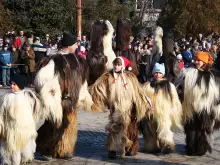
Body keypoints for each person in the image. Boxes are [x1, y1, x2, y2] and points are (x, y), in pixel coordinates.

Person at [90, 56, 151, 159]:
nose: (116, 66)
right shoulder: (108, 77)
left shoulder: (130, 77)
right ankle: (113, 149)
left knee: (131, 128)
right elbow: (97, 88)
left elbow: (138, 91)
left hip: (130, 107)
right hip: (116, 108)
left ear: (123, 66)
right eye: (115, 64)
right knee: (115, 127)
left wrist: (147, 103)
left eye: (118, 65)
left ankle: (130, 148)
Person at [176, 51, 220, 156]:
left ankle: (201, 148)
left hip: (205, 108)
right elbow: (178, 86)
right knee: (190, 127)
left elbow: (214, 93)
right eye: (196, 60)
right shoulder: (187, 72)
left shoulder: (211, 76)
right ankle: (191, 147)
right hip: (189, 106)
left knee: (202, 128)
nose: (197, 62)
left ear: (205, 62)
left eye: (199, 60)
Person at [141, 63, 182, 154]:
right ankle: (151, 146)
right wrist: (145, 108)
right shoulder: (147, 85)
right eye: (156, 72)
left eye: (160, 73)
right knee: (150, 130)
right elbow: (143, 99)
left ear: (163, 74)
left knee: (165, 129)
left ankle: (167, 145)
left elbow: (174, 99)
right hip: (150, 113)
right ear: (153, 73)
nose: (158, 75)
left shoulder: (169, 85)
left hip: (164, 113)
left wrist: (173, 109)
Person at [0, 74, 38, 165]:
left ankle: (21, 160)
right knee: (13, 149)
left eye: (14, 84)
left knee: (23, 148)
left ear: (20, 86)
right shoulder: (7, 97)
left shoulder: (27, 97)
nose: (11, 86)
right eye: (11, 84)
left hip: (23, 130)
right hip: (10, 129)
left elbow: (32, 114)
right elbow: (2, 114)